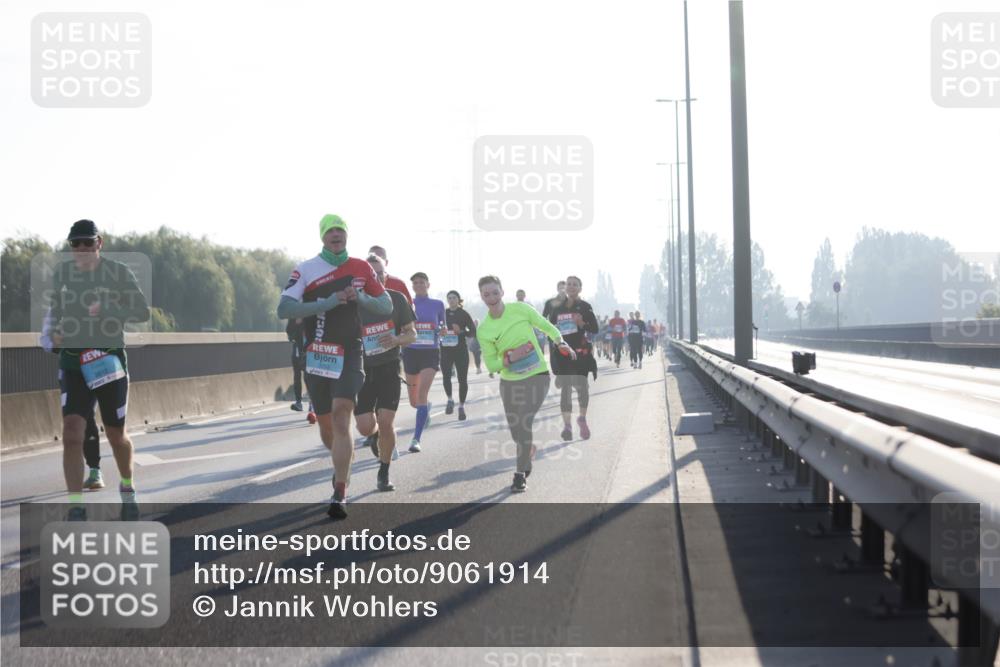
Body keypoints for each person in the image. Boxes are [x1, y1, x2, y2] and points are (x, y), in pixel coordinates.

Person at [277, 214, 392, 520]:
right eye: (330, 231)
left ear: (347, 235)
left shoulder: (361, 267)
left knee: (342, 416)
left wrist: (361, 296)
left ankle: (340, 490)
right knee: (327, 426)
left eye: (340, 229)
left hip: (350, 351)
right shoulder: (305, 269)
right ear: (322, 237)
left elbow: (386, 306)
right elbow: (284, 309)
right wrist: (326, 303)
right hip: (317, 354)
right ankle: (342, 462)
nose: (336, 234)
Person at [48, 219, 150, 520]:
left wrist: (108, 310)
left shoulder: (118, 272)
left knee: (116, 435)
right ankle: (76, 507)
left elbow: (141, 312)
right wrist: (54, 334)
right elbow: (54, 314)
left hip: (108, 363)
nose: (81, 248)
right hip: (74, 364)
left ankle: (128, 489)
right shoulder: (62, 274)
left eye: (87, 242)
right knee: (71, 433)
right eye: (75, 243)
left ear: (99, 243)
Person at [476, 275, 575, 493]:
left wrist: (560, 342)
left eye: (495, 292)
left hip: (537, 376)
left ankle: (520, 474)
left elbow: (547, 326)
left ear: (502, 292)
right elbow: (491, 364)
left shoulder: (520, 309)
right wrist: (511, 358)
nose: (491, 297)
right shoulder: (484, 329)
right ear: (482, 297)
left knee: (524, 422)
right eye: (486, 294)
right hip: (509, 382)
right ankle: (527, 447)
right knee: (516, 432)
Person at [354, 253, 416, 492]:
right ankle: (375, 434)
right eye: (371, 275)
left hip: (389, 368)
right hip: (362, 371)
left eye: (379, 273)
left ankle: (384, 472)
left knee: (386, 421)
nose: (376, 278)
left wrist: (396, 340)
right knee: (364, 426)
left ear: (386, 275)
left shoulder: (397, 299)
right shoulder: (355, 303)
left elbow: (412, 334)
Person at [40, 306, 104, 490]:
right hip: (69, 373)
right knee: (74, 421)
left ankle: (94, 470)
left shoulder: (98, 299)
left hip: (95, 369)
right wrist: (59, 342)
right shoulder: (57, 307)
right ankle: (87, 474)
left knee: (87, 416)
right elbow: (45, 340)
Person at [547, 276, 599, 441]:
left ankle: (582, 419)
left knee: (582, 389)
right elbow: (549, 329)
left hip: (580, 353)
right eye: (568, 284)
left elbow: (595, 329)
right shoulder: (557, 307)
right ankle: (567, 426)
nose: (571, 287)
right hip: (564, 355)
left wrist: (581, 323)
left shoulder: (584, 306)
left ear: (580, 288)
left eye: (574, 284)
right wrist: (555, 341)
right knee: (566, 389)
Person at [402, 272, 445, 452]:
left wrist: (442, 330)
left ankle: (416, 439)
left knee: (421, 393)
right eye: (415, 283)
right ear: (412, 286)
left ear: (428, 284)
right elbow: (400, 325)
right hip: (410, 352)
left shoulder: (438, 304)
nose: (418, 285)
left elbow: (443, 325)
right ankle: (425, 408)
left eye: (422, 282)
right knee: (414, 402)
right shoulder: (406, 303)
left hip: (430, 352)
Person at [441, 290, 476, 421]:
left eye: (454, 298)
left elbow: (473, 332)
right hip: (445, 350)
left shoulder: (464, 314)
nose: (451, 300)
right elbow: (436, 329)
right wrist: (440, 332)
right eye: (449, 298)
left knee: (462, 379)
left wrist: (461, 331)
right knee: (446, 376)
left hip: (460, 350)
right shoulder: (443, 313)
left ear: (458, 300)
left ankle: (461, 406)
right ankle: (450, 399)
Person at [286, 318, 306, 412]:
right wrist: (296, 324)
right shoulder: (294, 314)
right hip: (298, 349)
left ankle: (313, 403)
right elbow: (289, 331)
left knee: (310, 377)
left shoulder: (312, 312)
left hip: (311, 350)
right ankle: (298, 402)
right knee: (297, 376)